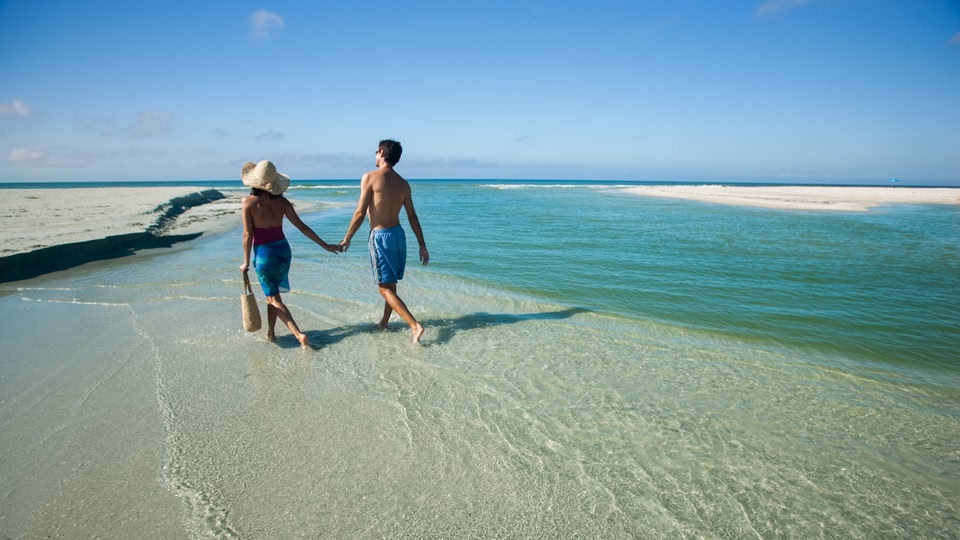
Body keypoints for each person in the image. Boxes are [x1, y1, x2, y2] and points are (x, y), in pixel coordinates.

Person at [239, 160, 338, 348]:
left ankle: (299, 335)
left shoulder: (248, 203)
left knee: (274, 298)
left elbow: (248, 235)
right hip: (283, 252)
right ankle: (271, 333)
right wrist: (325, 246)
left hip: (264, 255)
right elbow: (302, 227)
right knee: (272, 295)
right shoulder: (282, 202)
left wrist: (245, 263)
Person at [339, 140, 429, 344]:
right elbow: (413, 216)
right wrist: (422, 244)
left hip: (380, 237)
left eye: (376, 151)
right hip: (398, 235)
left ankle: (415, 326)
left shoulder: (370, 177)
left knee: (384, 288)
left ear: (381, 153)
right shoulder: (403, 184)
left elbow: (361, 212)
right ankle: (384, 323)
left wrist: (348, 238)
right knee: (391, 284)